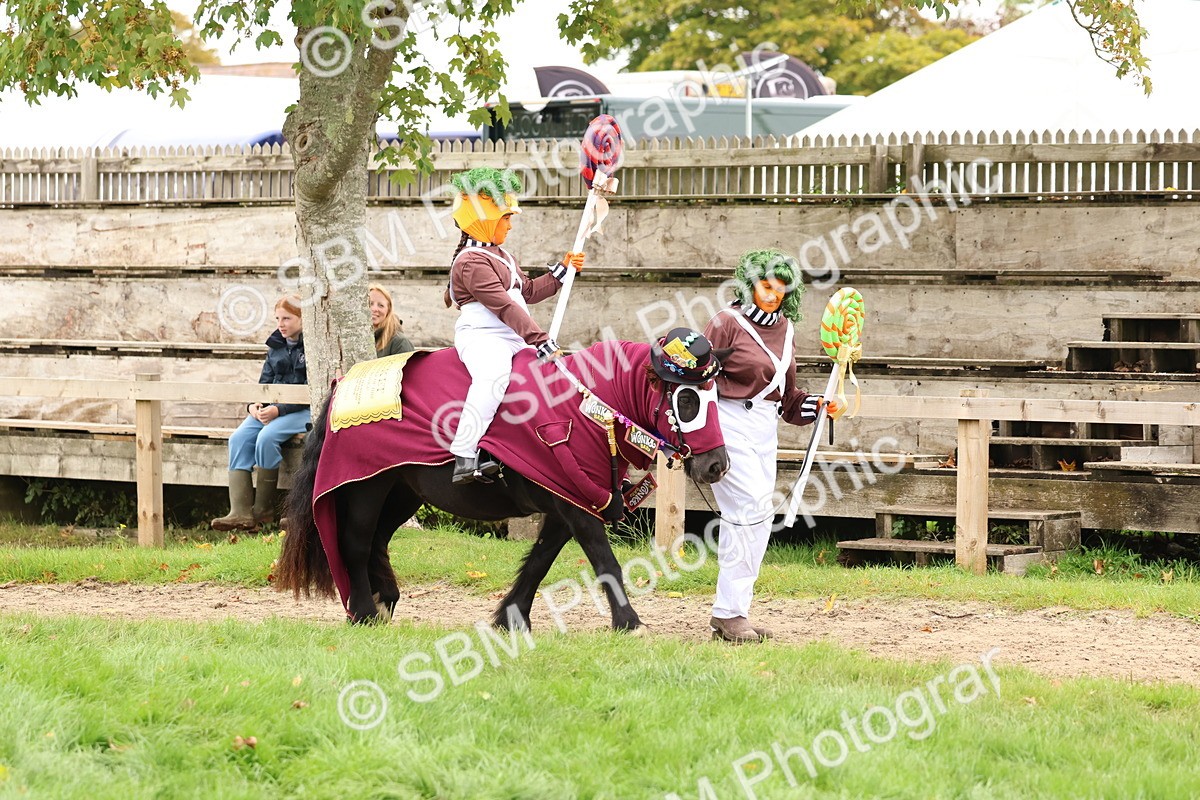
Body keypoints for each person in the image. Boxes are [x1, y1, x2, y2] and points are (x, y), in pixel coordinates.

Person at [702, 249, 839, 643]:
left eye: (781, 286)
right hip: (725, 420)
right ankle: (729, 613)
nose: (773, 292)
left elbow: (788, 400)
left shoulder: (788, 331)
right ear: (750, 283)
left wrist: (819, 404)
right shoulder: (725, 323)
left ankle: (733, 610)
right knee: (747, 510)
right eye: (766, 284)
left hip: (764, 429)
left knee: (757, 518)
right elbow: (695, 379)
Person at [444, 166, 584, 485]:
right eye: (506, 218)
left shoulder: (503, 255)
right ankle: (465, 454)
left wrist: (562, 272)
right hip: (484, 339)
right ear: (486, 219)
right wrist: (539, 339)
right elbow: (504, 306)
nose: (510, 224)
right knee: (494, 377)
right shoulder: (469, 262)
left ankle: (504, 450)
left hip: (514, 338)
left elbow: (527, 292)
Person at [211, 296, 310, 531]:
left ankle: (263, 509)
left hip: (302, 410)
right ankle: (240, 512)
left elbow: (310, 388)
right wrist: (254, 405)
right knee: (239, 438)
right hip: (272, 409)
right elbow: (264, 381)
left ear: (302, 319)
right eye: (278, 318)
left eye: (287, 318)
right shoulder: (275, 346)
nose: (281, 324)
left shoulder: (312, 347)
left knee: (267, 437)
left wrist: (279, 410)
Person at [369, 284, 415, 357]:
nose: (374, 309)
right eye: (370, 304)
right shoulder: (356, 339)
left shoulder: (400, 342)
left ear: (388, 310)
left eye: (381, 305)